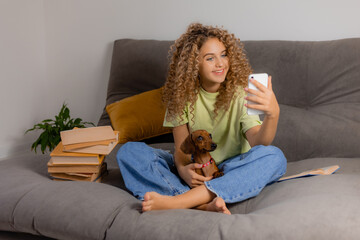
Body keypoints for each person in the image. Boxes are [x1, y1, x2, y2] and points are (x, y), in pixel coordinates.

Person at [117, 23, 287, 215]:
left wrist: (273, 114)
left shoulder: (241, 93)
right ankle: (202, 204)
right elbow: (182, 150)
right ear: (193, 64)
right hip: (196, 167)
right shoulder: (181, 96)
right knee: (129, 151)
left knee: (274, 157)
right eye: (210, 58)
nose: (220, 63)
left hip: (230, 169)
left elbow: (259, 142)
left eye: (224, 54)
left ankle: (179, 201)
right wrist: (183, 170)